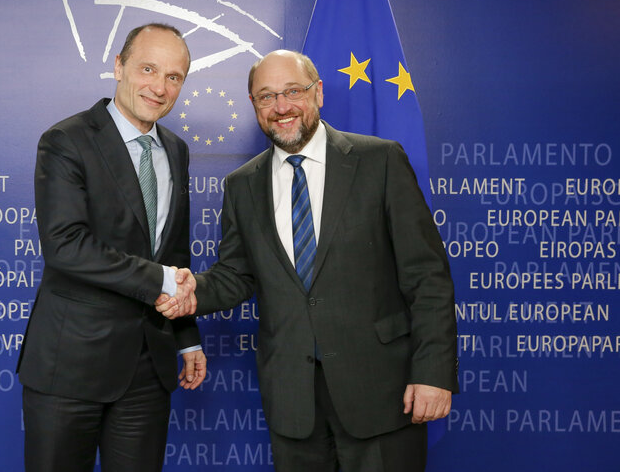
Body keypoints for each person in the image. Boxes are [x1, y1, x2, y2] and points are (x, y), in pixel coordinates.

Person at [157, 50, 458, 472]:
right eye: (266, 97)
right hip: (292, 402)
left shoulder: (380, 160)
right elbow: (236, 276)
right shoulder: (242, 186)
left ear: (317, 94)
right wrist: (191, 292)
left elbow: (428, 278)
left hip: (382, 393)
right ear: (254, 105)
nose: (281, 107)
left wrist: (433, 373)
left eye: (292, 91)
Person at [17, 23, 206, 472]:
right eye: (147, 69)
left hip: (147, 369)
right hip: (70, 367)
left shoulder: (176, 150)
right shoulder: (67, 140)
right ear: (118, 67)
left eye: (174, 77)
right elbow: (65, 246)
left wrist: (186, 339)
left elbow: (173, 253)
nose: (159, 87)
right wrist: (162, 280)